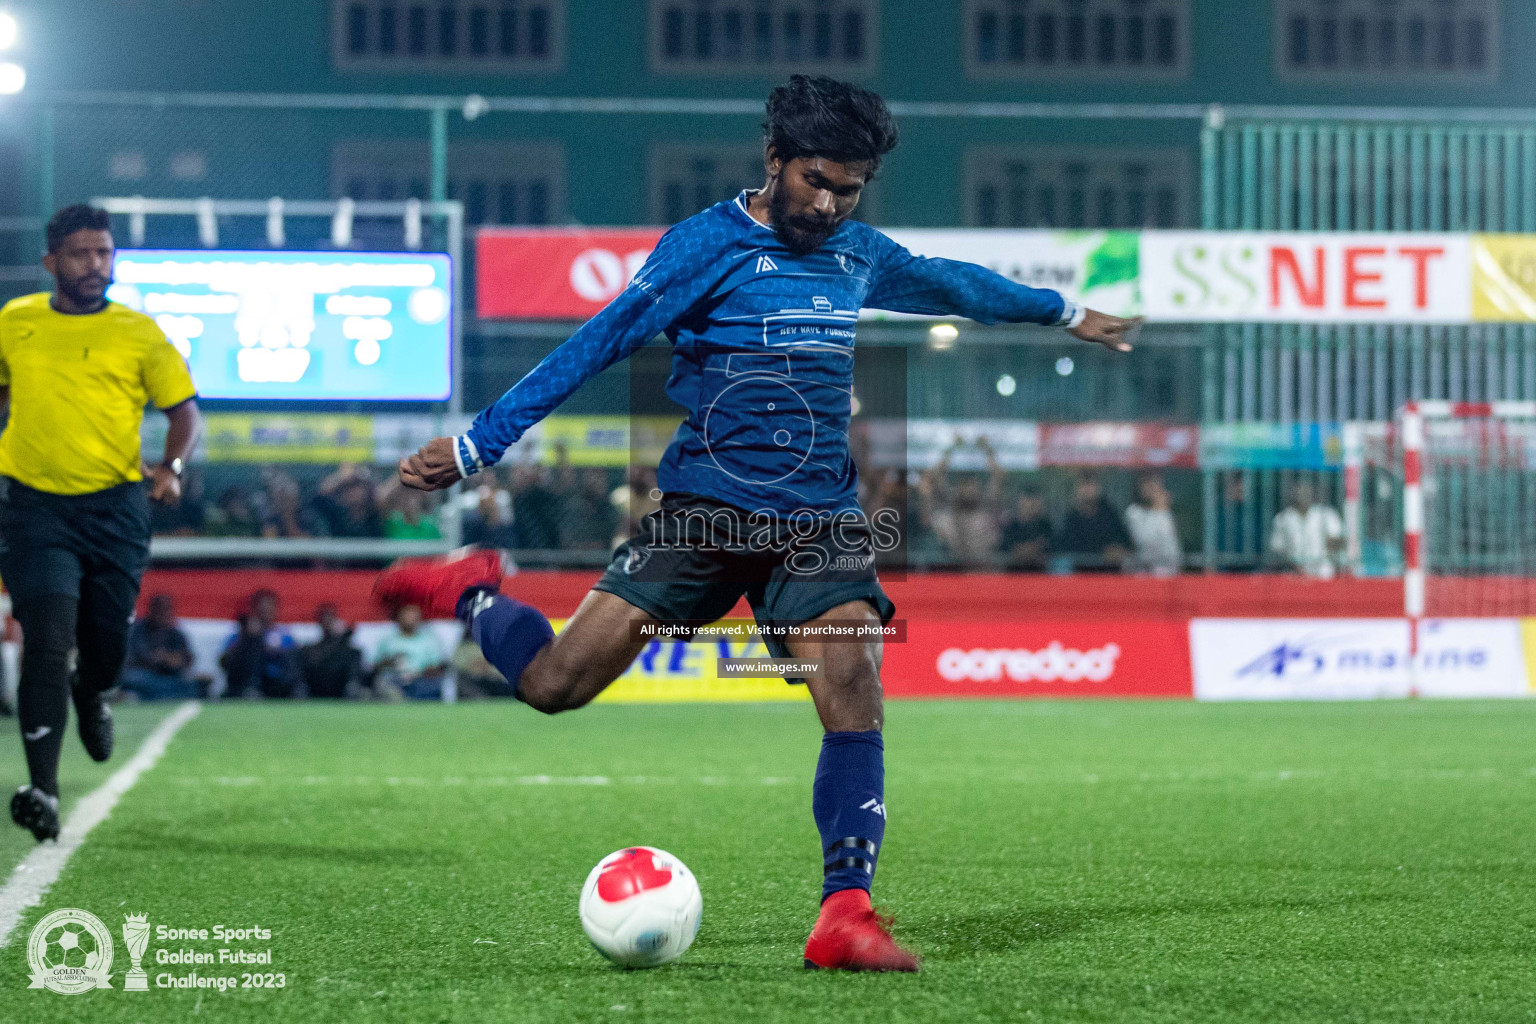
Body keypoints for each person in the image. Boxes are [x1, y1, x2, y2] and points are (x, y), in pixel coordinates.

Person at [375, 75, 1137, 972]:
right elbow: (600, 340)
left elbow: (950, 284)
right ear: (774, 160)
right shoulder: (704, 246)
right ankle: (470, 588)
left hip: (819, 518)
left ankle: (845, 914)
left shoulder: (856, 252)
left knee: (854, 686)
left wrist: (1065, 311)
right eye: (814, 180)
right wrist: (476, 446)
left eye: (848, 189)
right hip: (704, 511)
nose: (828, 203)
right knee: (553, 685)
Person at [1, 204, 202, 842]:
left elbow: (184, 413)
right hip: (34, 507)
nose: (96, 265)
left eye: (105, 253)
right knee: (47, 639)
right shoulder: (15, 322)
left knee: (105, 647)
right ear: (51, 262)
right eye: (83, 253)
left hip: (117, 507)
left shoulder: (139, 333)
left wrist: (170, 466)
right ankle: (44, 789)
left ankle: (94, 694)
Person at [916, 437, 1004, 567]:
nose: (967, 489)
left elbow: (998, 476)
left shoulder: (987, 513)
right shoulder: (946, 518)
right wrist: (951, 448)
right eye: (963, 485)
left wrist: (986, 449)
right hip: (954, 572)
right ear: (955, 490)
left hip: (985, 571)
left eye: (971, 485)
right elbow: (935, 477)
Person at [219, 589, 301, 699]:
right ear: (254, 609)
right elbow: (225, 661)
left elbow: (295, 662)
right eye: (262, 608)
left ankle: (295, 691)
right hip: (246, 684)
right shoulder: (241, 635)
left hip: (278, 682)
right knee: (254, 645)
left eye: (270, 608)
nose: (266, 611)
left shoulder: (285, 635)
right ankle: (252, 688)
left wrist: (276, 651)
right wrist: (249, 637)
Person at [120, 593, 198, 701]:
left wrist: (173, 660)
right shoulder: (138, 630)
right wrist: (157, 658)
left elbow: (186, 659)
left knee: (189, 684)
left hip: (168, 675)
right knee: (137, 679)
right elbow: (133, 656)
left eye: (167, 609)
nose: (165, 613)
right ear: (152, 610)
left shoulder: (175, 633)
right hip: (143, 674)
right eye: (161, 610)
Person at [1054, 471, 1132, 572]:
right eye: (1083, 485)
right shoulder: (1071, 518)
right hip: (1081, 576)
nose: (1087, 489)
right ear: (1076, 489)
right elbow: (1064, 550)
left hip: (1109, 575)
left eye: (1090, 484)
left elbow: (1127, 544)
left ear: (1098, 488)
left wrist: (1119, 550)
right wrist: (1101, 552)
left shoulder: (1109, 514)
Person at [1270, 479, 1345, 579]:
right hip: (1293, 571)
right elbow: (1278, 548)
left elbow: (1338, 540)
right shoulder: (1283, 518)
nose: (1303, 494)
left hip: (1323, 570)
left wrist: (1330, 548)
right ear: (1293, 493)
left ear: (1313, 492)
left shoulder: (1327, 514)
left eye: (1307, 490)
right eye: (1299, 490)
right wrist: (1294, 565)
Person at [372, 604, 450, 700]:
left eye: (413, 617)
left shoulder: (429, 639)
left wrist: (419, 673)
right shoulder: (388, 640)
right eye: (407, 617)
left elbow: (439, 665)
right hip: (395, 679)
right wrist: (391, 662)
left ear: (419, 619)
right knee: (384, 683)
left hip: (421, 679)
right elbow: (375, 665)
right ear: (399, 618)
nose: (410, 620)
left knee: (432, 684)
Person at [298, 604, 364, 699]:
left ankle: (352, 688)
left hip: (339, 683)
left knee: (354, 653)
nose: (327, 622)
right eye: (324, 619)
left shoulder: (345, 647)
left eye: (330, 619)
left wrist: (343, 637)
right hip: (318, 683)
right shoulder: (310, 649)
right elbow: (317, 661)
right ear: (319, 622)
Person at [1123, 473, 1182, 576]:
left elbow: (1172, 546)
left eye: (1154, 484)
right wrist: (1159, 511)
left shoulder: (1165, 512)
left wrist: (1162, 512)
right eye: (1146, 484)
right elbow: (1145, 541)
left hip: (1169, 573)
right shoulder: (1133, 512)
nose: (1151, 488)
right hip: (1143, 573)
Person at [998, 487, 1052, 570]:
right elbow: (1005, 552)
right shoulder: (1011, 527)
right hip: (1014, 575)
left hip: (1041, 576)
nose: (1031, 505)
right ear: (1019, 503)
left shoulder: (1046, 526)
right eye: (1028, 500)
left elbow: (1051, 550)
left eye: (1035, 501)